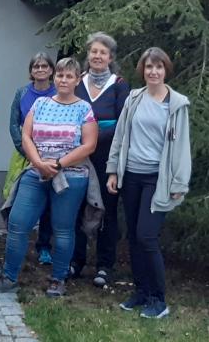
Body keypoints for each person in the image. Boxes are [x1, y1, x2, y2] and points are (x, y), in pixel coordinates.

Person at [0, 57, 97, 298]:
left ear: (77, 80)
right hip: (36, 172)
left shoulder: (84, 109)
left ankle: (58, 279)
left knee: (63, 229)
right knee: (18, 223)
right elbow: (26, 136)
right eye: (60, 75)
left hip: (71, 176)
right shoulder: (41, 104)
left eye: (69, 76)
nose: (63, 80)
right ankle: (8, 277)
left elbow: (89, 145)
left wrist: (58, 163)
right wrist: (38, 163)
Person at [104, 47, 191, 319]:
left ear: (166, 70)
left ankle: (158, 299)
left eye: (159, 67)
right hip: (130, 176)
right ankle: (141, 292)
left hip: (158, 179)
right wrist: (113, 171)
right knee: (133, 236)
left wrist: (179, 184)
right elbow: (120, 136)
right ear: (143, 70)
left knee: (147, 235)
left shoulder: (176, 104)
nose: (154, 72)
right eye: (149, 67)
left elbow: (182, 147)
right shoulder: (133, 98)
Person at [73, 32, 130, 286]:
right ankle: (76, 261)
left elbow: (123, 124)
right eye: (94, 51)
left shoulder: (119, 85)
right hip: (78, 158)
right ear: (88, 54)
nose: (97, 56)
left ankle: (105, 265)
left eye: (103, 52)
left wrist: (92, 134)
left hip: (108, 159)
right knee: (76, 208)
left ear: (110, 57)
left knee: (107, 211)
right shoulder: (77, 82)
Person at [4, 53, 57, 265]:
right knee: (16, 197)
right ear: (31, 70)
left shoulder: (58, 92)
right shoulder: (22, 93)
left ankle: (44, 245)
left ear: (52, 70)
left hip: (51, 155)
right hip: (24, 154)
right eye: (36, 66)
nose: (40, 69)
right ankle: (16, 244)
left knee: (48, 203)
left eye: (45, 66)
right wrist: (25, 150)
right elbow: (13, 122)